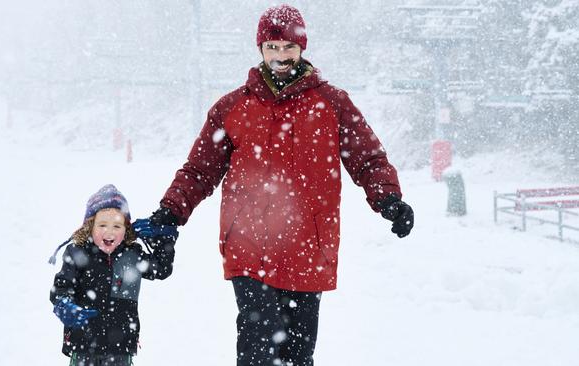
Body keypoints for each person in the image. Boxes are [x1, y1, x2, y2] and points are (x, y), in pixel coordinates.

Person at [137, 4, 414, 365]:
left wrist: (389, 198)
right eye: (272, 48)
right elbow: (199, 170)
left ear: (302, 49)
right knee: (257, 351)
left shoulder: (332, 104)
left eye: (288, 48)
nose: (280, 56)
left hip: (308, 248)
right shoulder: (233, 108)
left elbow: (367, 157)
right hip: (250, 248)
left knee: (298, 355)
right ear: (260, 50)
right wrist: (170, 212)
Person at [49, 184, 177, 366]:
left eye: (117, 225)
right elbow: (62, 286)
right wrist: (64, 305)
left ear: (126, 229)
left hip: (120, 348)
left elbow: (162, 269)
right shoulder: (77, 252)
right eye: (102, 225)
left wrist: (162, 238)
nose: (109, 232)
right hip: (83, 345)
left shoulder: (132, 255)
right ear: (90, 226)